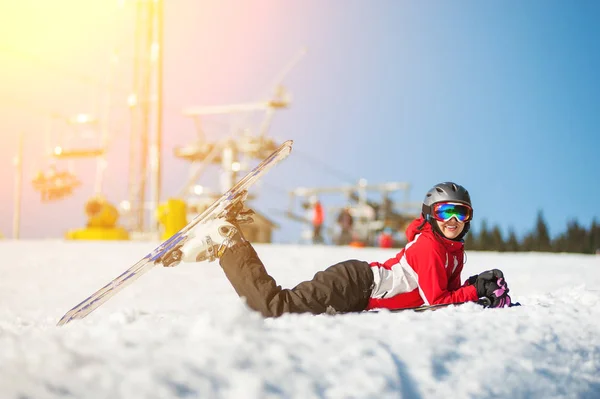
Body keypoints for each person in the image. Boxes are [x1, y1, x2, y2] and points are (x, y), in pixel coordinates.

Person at [171, 182, 512, 317]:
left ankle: (224, 242)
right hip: (355, 284)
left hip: (358, 285)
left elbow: (441, 291)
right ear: (430, 215)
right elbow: (436, 300)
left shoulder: (450, 250)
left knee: (280, 308)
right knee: (275, 308)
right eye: (443, 212)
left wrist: (480, 287)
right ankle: (229, 242)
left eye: (460, 212)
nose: (452, 219)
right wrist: (474, 291)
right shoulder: (431, 247)